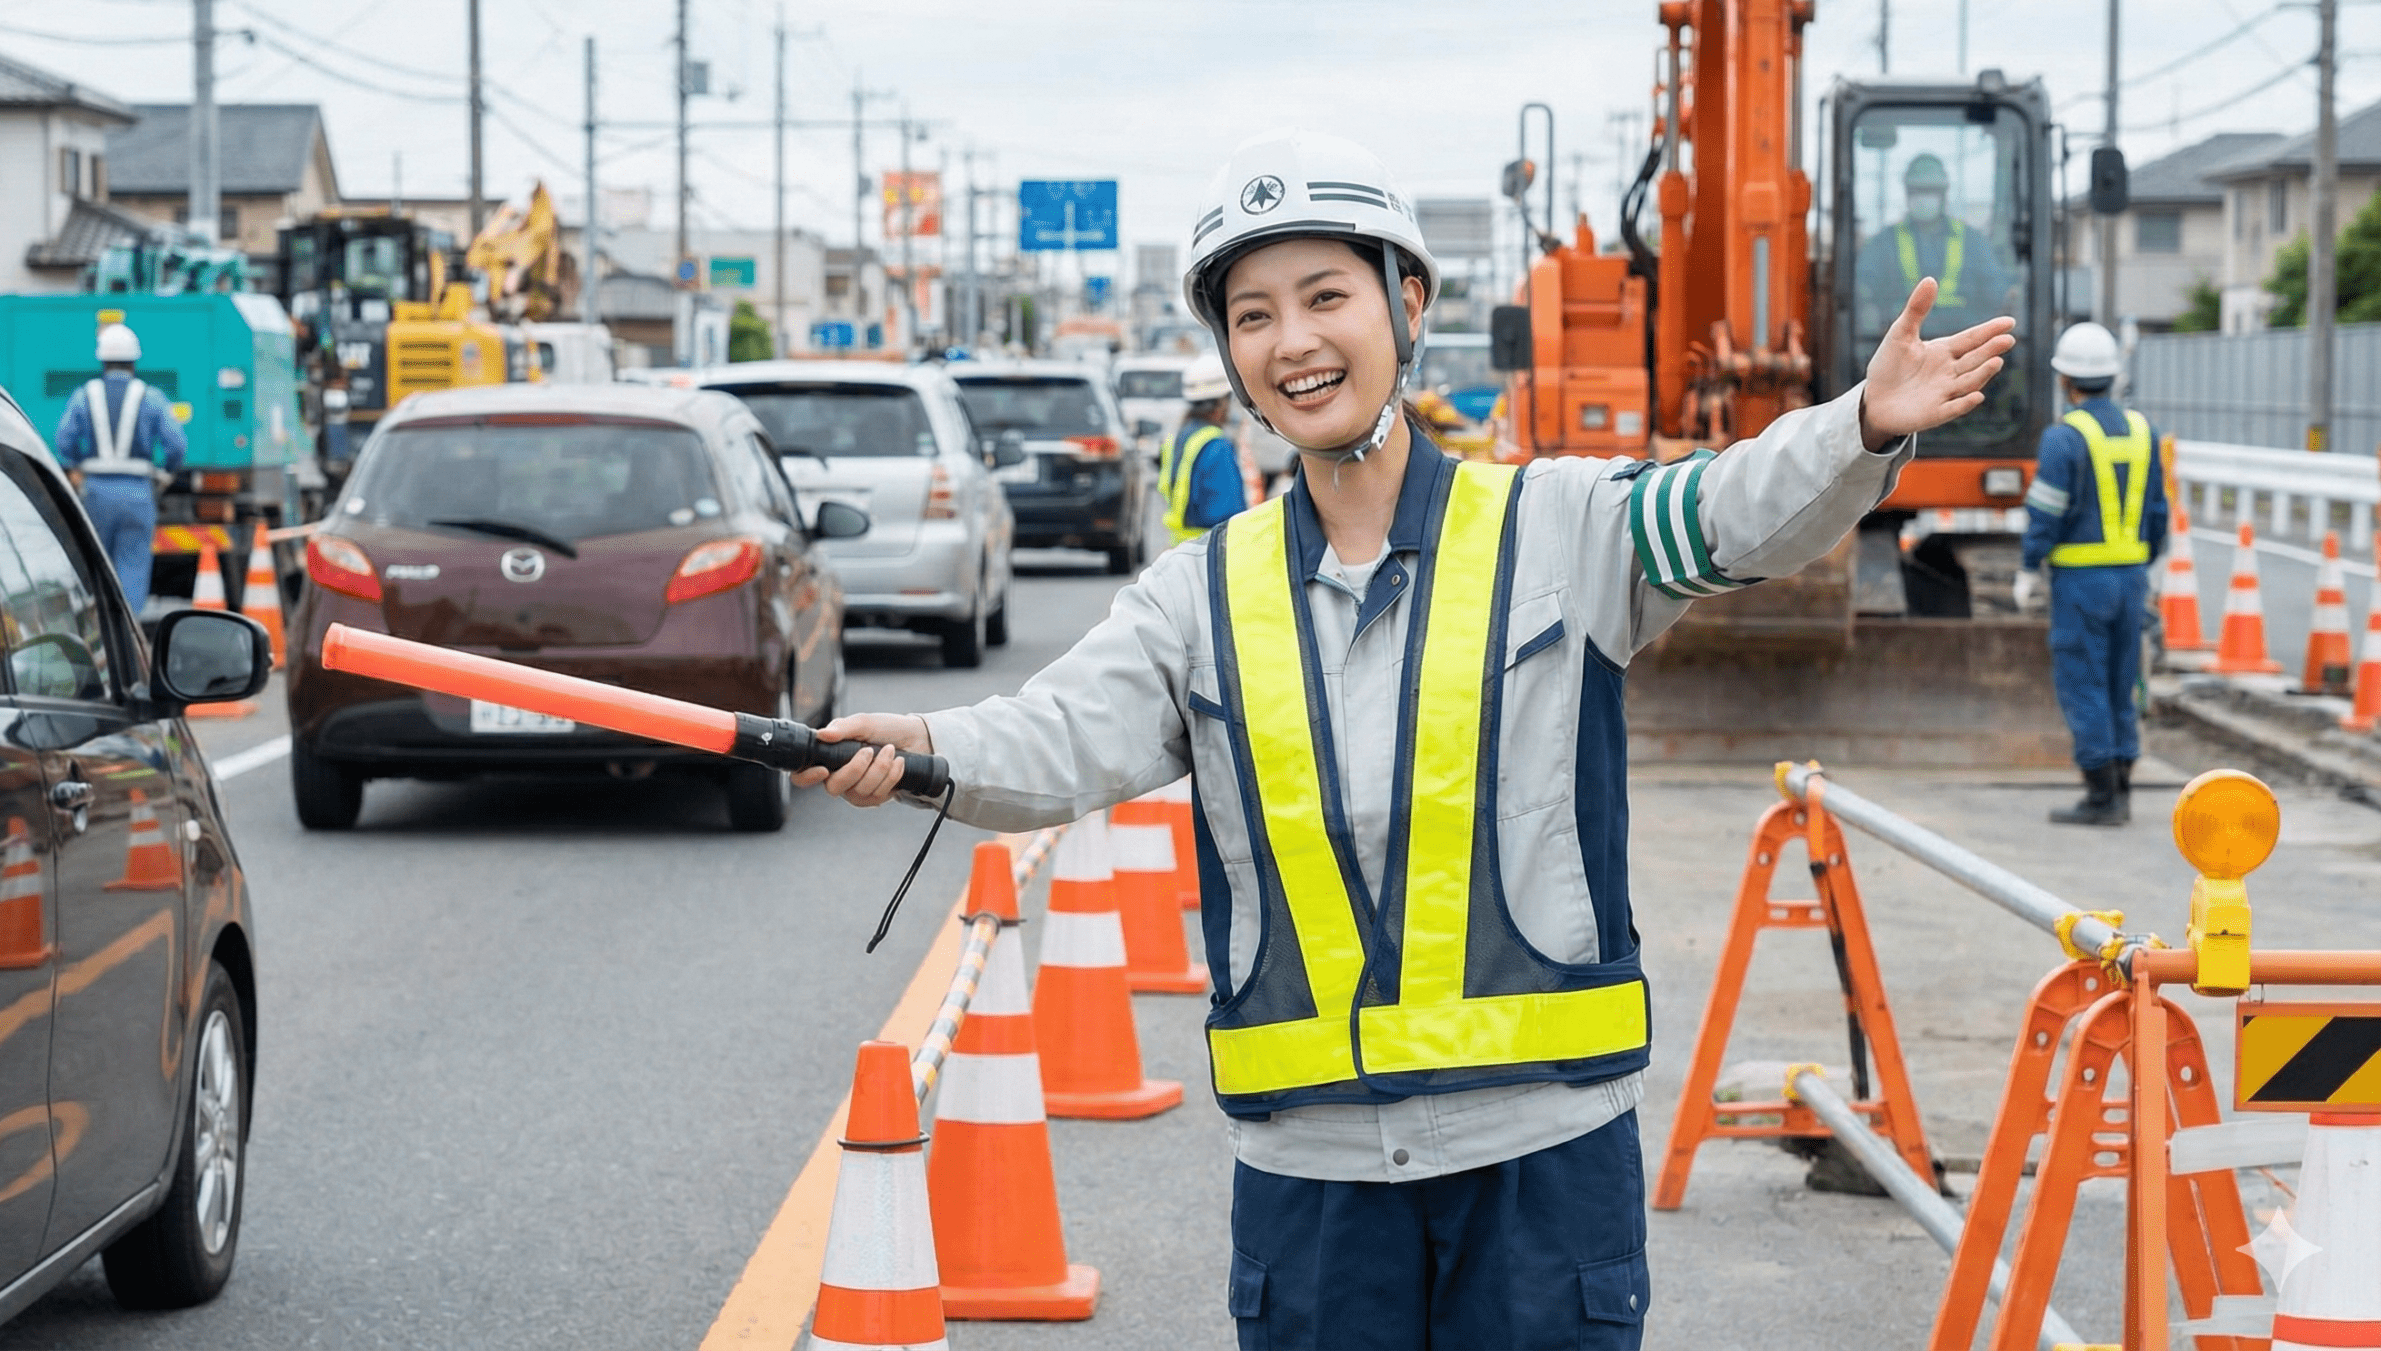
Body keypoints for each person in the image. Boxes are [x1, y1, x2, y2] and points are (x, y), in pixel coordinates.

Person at [798, 129, 2013, 1348]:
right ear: (1229, 351)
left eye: (1327, 297)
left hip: (1540, 1157)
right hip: (1312, 1174)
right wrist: (916, 739)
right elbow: (1055, 734)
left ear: (1407, 301)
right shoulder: (1200, 594)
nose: (1294, 342)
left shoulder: (1556, 525)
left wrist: (1859, 425)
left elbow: (1727, 507)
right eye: (1255, 314)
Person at [2015, 322, 2165, 827]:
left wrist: (2028, 565)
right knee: (2123, 682)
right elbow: (2158, 514)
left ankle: (2101, 796)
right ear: (2112, 377)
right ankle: (2121, 787)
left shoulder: (2063, 439)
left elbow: (2045, 512)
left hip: (2082, 585)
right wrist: (2146, 563)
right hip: (2132, 580)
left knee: (2084, 682)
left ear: (2065, 380)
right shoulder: (2145, 432)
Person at [54, 321, 187, 608]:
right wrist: (166, 473)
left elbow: (63, 440)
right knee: (133, 567)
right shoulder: (150, 397)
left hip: (95, 493)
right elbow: (176, 445)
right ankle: (128, 637)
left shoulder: (84, 395)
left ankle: (101, 634)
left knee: (95, 566)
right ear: (133, 362)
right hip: (138, 493)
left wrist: (78, 464)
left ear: (102, 361)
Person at [1856, 153, 2015, 337]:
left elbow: (1996, 294)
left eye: (1931, 191)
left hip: (1963, 346)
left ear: (1943, 194)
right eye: (1917, 191)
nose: (1924, 197)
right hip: (1901, 345)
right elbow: (1863, 292)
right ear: (1908, 194)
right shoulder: (1882, 244)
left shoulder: (1973, 242)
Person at [1158, 352, 1251, 545]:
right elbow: (1229, 511)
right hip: (1212, 548)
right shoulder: (1217, 446)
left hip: (1181, 546)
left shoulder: (1177, 438)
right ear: (1220, 403)